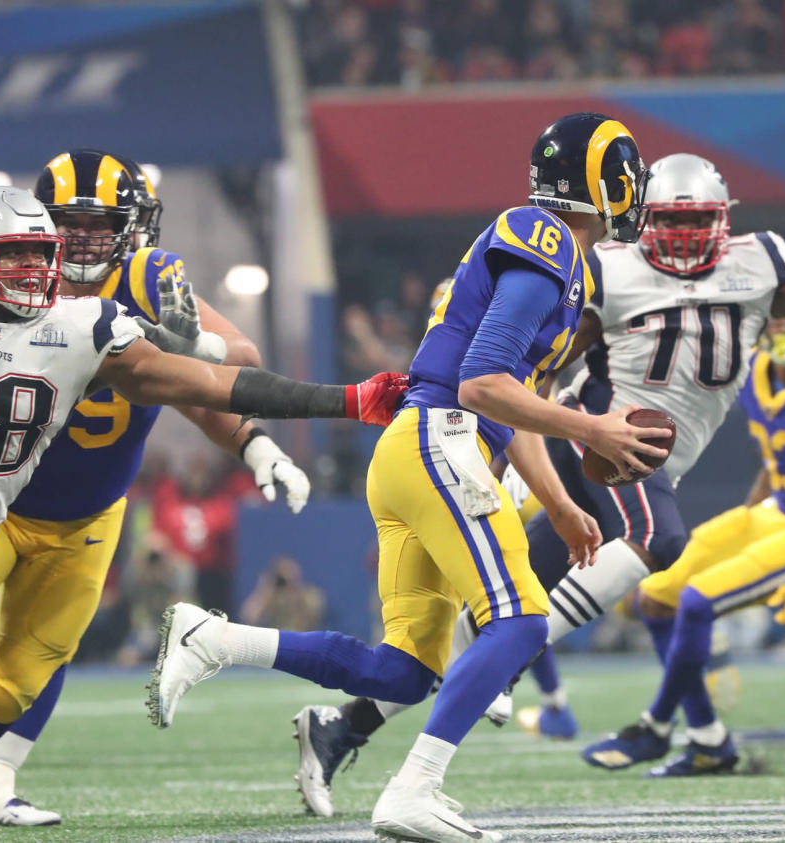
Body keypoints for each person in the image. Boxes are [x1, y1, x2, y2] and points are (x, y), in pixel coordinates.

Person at [0, 185, 407, 843]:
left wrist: (347, 398)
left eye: (42, 255)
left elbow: (215, 383)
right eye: (16, 256)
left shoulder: (80, 331)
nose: (36, 271)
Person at [288, 152, 785, 815]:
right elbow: (537, 361)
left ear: (724, 221)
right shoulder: (610, 267)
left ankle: (343, 726)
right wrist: (536, 439)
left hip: (631, 456)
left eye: (697, 223)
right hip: (598, 435)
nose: (682, 239)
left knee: (488, 623)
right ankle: (508, 670)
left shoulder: (760, 261)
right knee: (657, 536)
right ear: (642, 218)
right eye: (669, 223)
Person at [148, 112, 670, 843]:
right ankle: (414, 790)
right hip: (440, 439)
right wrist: (595, 429)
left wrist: (558, 502)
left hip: (420, 449)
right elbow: (484, 384)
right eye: (625, 171)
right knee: (519, 620)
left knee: (401, 672)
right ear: (596, 179)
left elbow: (512, 401)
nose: (634, 187)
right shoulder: (545, 237)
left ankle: (215, 640)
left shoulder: (571, 262)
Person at [0, 149, 314, 838]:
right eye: (69, 225)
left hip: (87, 512)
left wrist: (199, 355)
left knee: (30, 665)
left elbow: (236, 366)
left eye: (99, 225)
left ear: (132, 226)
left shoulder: (146, 282)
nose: (83, 240)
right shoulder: (12, 278)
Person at [581, 315, 785, 775]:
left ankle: (656, 726)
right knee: (656, 597)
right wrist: (748, 513)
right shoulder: (757, 370)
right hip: (775, 511)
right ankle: (708, 741)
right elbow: (778, 455)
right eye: (778, 318)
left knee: (697, 601)